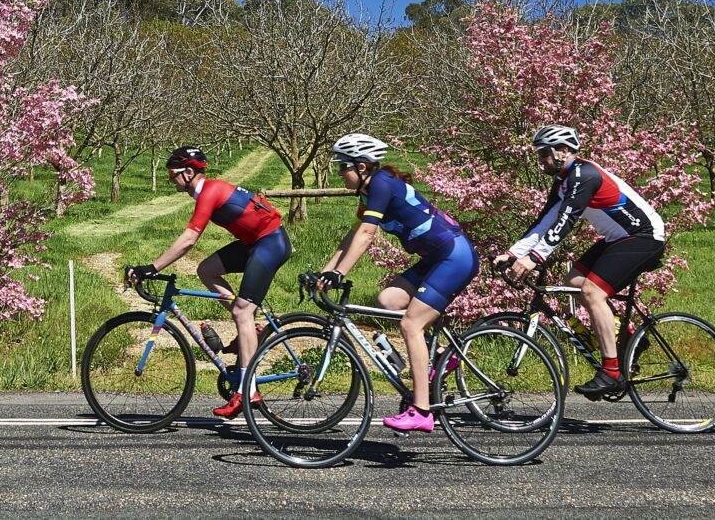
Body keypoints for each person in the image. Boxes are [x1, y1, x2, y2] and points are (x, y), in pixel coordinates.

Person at [316, 132, 480, 435]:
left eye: (343, 167)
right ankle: (444, 355)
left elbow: (367, 236)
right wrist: (325, 273)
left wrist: (341, 273)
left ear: (362, 166)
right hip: (436, 257)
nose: (339, 173)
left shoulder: (381, 184)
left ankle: (421, 411)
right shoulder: (368, 192)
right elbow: (352, 237)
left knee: (410, 325)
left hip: (454, 256)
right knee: (389, 300)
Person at [493, 124, 668, 399]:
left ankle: (611, 372)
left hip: (644, 236)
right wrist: (514, 253)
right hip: (619, 237)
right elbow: (545, 221)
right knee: (573, 282)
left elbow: (566, 221)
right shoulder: (564, 180)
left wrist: (536, 257)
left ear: (562, 151)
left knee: (591, 291)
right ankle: (630, 336)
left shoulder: (584, 175)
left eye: (543, 154)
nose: (540, 161)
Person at [125, 146, 292, 418]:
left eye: (173, 174)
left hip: (271, 242)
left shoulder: (210, 192)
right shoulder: (206, 192)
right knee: (207, 270)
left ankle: (247, 391)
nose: (170, 180)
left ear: (189, 172)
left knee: (241, 310)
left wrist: (152, 268)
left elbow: (190, 239)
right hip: (256, 242)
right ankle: (251, 327)